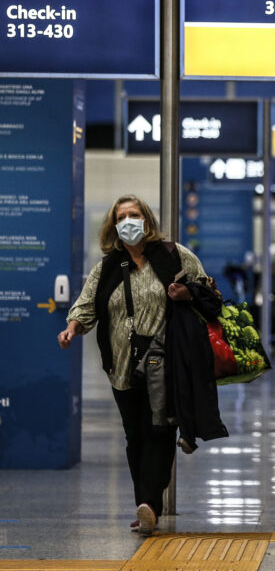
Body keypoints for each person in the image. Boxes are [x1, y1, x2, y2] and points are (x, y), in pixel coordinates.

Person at [57, 195, 208, 536]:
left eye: (134, 214)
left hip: (165, 363)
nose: (128, 220)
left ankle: (150, 505)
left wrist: (187, 294)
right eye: (121, 216)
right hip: (122, 367)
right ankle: (145, 507)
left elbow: (206, 291)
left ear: (147, 219)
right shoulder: (108, 267)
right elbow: (86, 307)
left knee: (160, 429)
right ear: (113, 225)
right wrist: (71, 328)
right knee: (135, 436)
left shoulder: (174, 255)